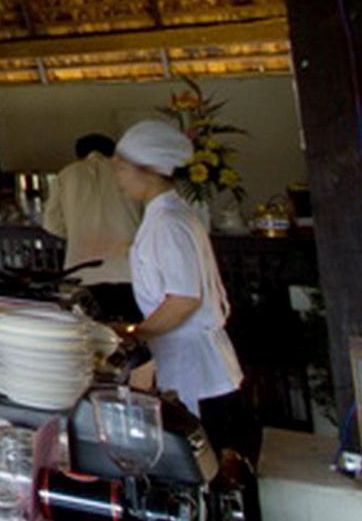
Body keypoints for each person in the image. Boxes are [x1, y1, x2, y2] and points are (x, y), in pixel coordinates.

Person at [112, 120, 258, 462]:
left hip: (199, 368)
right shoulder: (168, 215)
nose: (118, 180)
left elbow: (184, 299)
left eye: (121, 170)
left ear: (146, 170)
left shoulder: (169, 223)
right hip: (186, 361)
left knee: (212, 463)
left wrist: (137, 334)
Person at [44, 133, 139, 296]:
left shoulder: (66, 174)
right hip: (127, 268)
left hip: (81, 269)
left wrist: (75, 231)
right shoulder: (129, 173)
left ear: (79, 155)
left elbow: (51, 223)